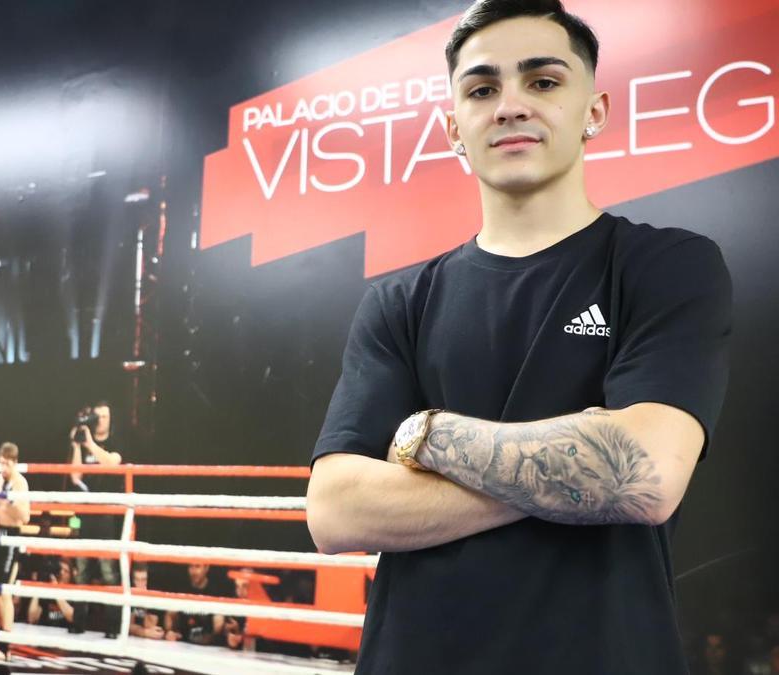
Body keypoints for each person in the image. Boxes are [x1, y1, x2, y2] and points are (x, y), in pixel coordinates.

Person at [306, 1, 732, 673]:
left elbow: (642, 474)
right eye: (482, 89)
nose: (510, 105)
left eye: (543, 80)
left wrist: (427, 437)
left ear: (594, 110)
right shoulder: (399, 300)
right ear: (453, 126)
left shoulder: (665, 266)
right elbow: (334, 511)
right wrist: (577, 464)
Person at [66, 401, 123, 635]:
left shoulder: (116, 442)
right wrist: (77, 446)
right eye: (97, 416)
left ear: (110, 419)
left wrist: (90, 444)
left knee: (108, 571)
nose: (100, 420)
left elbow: (112, 464)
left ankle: (112, 626)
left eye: (104, 416)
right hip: (85, 511)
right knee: (81, 569)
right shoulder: (83, 442)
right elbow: (75, 477)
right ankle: (79, 622)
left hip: (107, 512)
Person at [0, 443, 30, 661]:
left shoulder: (20, 483)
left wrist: (10, 500)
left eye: (6, 463)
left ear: (14, 463)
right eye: (1, 462)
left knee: (4, 591)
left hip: (12, 536)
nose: (3, 467)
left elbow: (26, 516)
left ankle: (6, 646)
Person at [26, 558, 75, 628]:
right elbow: (32, 619)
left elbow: (72, 618)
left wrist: (56, 590)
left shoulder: (74, 592)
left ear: (71, 576)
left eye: (66, 571)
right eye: (60, 570)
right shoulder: (46, 591)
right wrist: (38, 587)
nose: (62, 573)